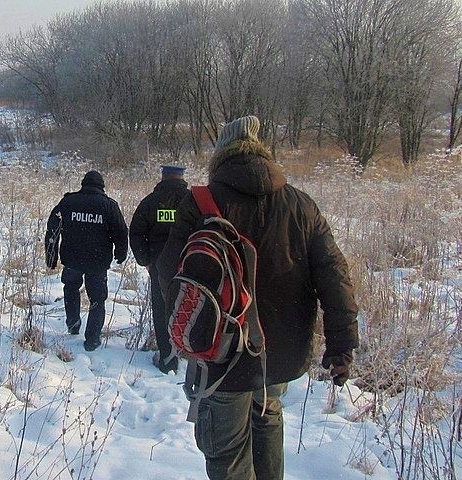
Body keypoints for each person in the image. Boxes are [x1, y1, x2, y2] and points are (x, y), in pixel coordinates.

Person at [157, 116, 359, 480]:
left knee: (227, 455)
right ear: (264, 153)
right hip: (281, 354)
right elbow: (335, 277)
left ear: (221, 155)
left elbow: (170, 273)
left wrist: (184, 335)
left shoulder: (200, 203)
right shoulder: (302, 205)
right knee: (267, 416)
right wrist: (341, 346)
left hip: (221, 354)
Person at [45, 170, 128, 352]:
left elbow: (52, 229)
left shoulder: (67, 202)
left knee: (71, 288)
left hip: (72, 259)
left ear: (83, 184)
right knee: (97, 298)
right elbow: (121, 232)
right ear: (102, 187)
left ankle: (73, 324)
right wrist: (121, 253)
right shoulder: (109, 206)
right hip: (97, 262)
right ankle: (92, 339)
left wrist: (51, 257)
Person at [129, 165, 188, 374]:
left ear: (163, 177)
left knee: (162, 310)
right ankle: (189, 352)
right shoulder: (192, 201)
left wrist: (146, 260)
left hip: (159, 266)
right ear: (182, 177)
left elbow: (136, 233)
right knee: (190, 309)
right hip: (189, 267)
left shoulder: (150, 202)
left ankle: (167, 359)